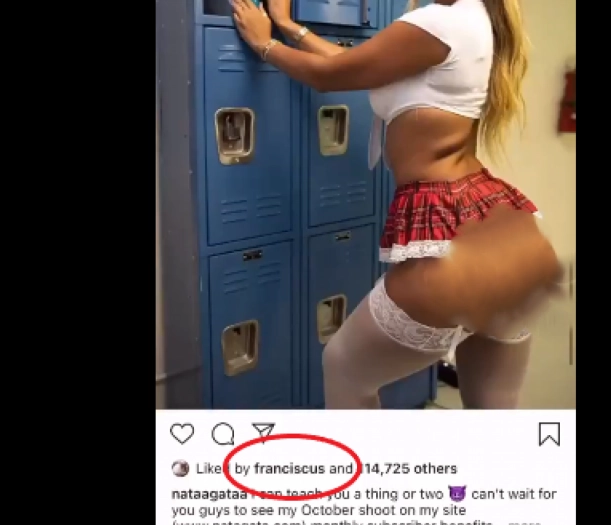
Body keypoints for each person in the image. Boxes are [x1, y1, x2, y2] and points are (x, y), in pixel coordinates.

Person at [232, 0, 564, 409]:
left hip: (451, 234)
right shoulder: (476, 18)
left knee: (344, 369)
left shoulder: (437, 22)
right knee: (495, 411)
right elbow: (355, 65)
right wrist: (288, 25)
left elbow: (327, 76)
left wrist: (265, 45)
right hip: (507, 230)